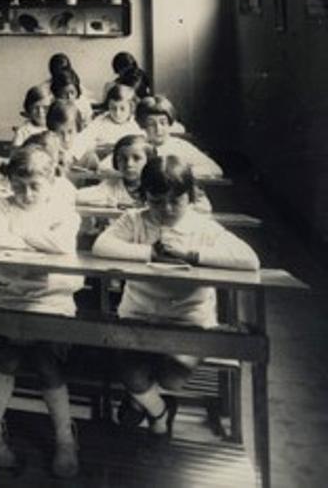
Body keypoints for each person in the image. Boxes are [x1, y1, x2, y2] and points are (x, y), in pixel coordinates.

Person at [92, 155, 258, 436]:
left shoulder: (202, 226)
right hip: (139, 315)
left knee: (173, 376)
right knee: (131, 373)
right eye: (156, 201)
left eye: (175, 201)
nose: (166, 209)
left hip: (189, 321)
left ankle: (140, 401)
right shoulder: (135, 220)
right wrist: (150, 252)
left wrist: (193, 255)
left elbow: (250, 260)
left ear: (190, 197)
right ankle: (159, 410)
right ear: (144, 196)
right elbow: (100, 246)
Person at [0, 145, 82, 478]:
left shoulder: (65, 210)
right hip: (8, 299)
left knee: (45, 361)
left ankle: (65, 438)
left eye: (35, 186)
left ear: (51, 179)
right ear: (9, 181)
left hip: (52, 300)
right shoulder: (0, 206)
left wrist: (17, 235)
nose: (25, 194)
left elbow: (63, 244)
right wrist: (38, 241)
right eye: (18, 185)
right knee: (6, 357)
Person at [135, 96, 221, 178]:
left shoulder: (180, 146)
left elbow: (215, 169)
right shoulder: (137, 146)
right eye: (151, 124)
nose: (158, 129)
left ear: (170, 123)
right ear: (143, 125)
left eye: (163, 122)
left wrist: (180, 171)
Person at [84, 84, 142, 156]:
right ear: (108, 106)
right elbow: (85, 137)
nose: (117, 113)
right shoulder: (100, 121)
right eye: (113, 108)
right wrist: (95, 148)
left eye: (122, 109)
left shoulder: (134, 124)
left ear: (131, 108)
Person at [46, 100, 99, 172]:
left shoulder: (88, 155)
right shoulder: (46, 150)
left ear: (78, 128)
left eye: (70, 132)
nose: (66, 139)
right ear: (52, 131)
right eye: (60, 133)